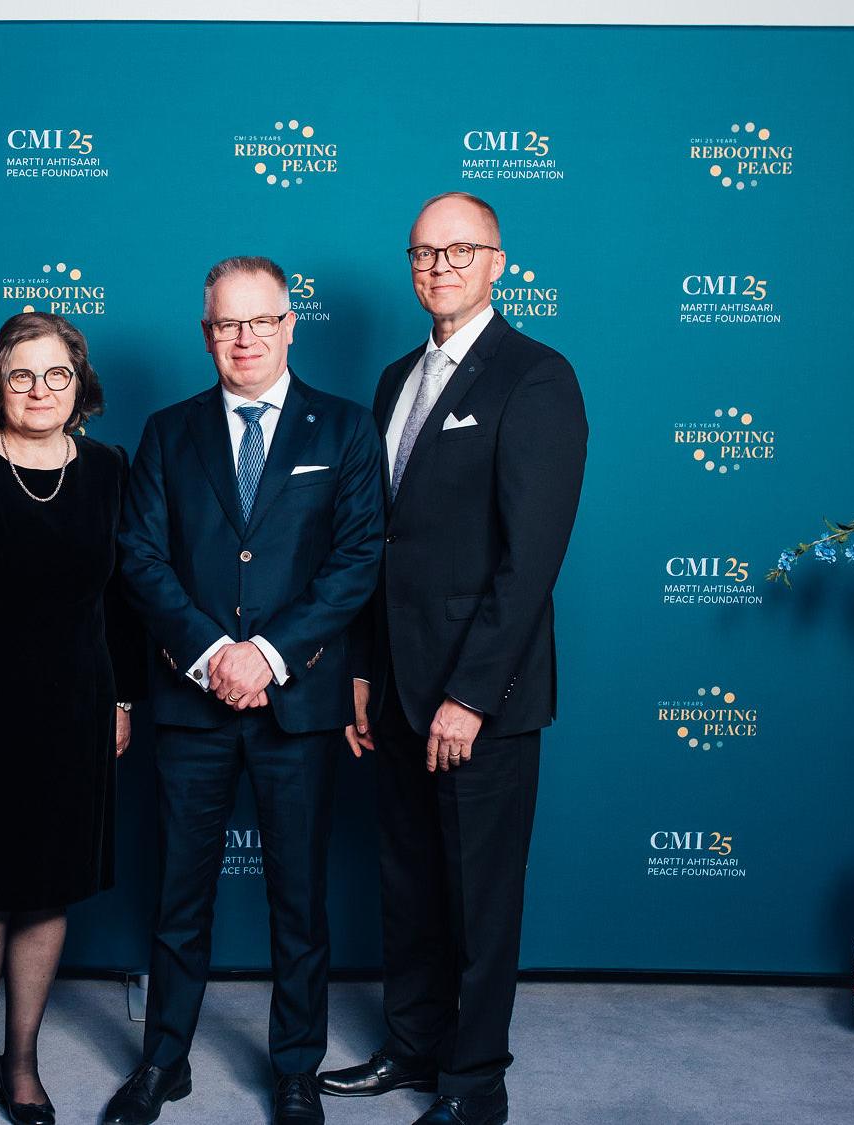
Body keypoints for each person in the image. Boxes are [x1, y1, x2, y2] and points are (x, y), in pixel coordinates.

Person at [317, 193, 587, 1125]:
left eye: (460, 250)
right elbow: (377, 542)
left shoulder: (536, 376)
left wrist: (471, 694)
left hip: (482, 696)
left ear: (499, 262)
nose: (439, 266)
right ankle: (411, 1044)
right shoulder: (397, 378)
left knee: (478, 897)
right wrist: (360, 670)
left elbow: (530, 558)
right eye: (424, 252)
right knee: (408, 882)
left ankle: (474, 1084)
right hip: (393, 684)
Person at [107, 256, 384, 1125]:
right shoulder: (166, 430)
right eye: (227, 324)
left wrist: (265, 654)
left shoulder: (342, 429)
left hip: (297, 703)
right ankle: (165, 1059)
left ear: (290, 324)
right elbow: (140, 557)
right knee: (178, 892)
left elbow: (356, 561)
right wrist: (209, 653)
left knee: (298, 897)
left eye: (261, 321)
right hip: (192, 704)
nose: (245, 338)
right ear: (206, 334)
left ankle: (296, 1066)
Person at [0, 311, 144, 1125]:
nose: (39, 391)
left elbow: (123, 599)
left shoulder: (110, 468)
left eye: (56, 375)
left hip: (74, 710)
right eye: (21, 375)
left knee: (47, 894)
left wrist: (120, 699)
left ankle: (23, 1063)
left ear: (80, 385)